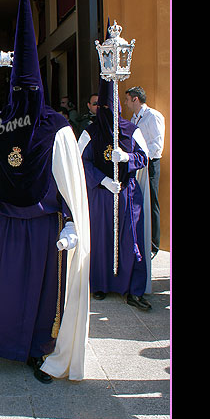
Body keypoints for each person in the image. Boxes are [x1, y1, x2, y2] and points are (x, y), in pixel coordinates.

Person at [0, 0, 91, 384]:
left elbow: (68, 181)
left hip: (41, 225)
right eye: (19, 90)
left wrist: (71, 223)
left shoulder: (57, 128)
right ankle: (3, 343)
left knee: (38, 291)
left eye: (30, 91)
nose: (24, 99)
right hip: (2, 224)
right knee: (4, 289)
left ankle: (36, 348)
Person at [79, 75, 152, 310]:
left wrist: (128, 158)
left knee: (130, 240)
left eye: (111, 106)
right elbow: (82, 161)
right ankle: (99, 284)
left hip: (127, 193)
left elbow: (144, 157)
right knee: (100, 239)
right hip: (101, 194)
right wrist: (102, 180)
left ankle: (133, 288)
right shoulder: (90, 132)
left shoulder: (131, 130)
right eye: (103, 107)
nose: (108, 110)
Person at [124, 85, 165, 258]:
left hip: (150, 163)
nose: (125, 103)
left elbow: (157, 145)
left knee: (152, 201)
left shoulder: (153, 116)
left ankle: (154, 245)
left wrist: (141, 157)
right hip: (138, 164)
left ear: (135, 99)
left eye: (127, 99)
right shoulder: (134, 118)